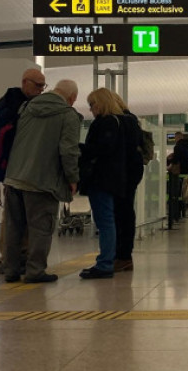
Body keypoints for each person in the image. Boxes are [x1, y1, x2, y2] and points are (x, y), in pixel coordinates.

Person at [2, 79, 80, 283]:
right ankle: (35, 271)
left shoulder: (27, 106)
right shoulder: (67, 114)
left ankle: (10, 269)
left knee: (13, 226)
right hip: (42, 181)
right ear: (72, 98)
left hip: (14, 176)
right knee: (41, 227)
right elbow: (68, 150)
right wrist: (72, 178)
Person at [0, 67, 46, 275]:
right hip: (14, 169)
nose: (40, 90)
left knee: (14, 217)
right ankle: (11, 258)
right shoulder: (16, 105)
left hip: (12, 168)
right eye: (37, 85)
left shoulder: (8, 103)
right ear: (25, 82)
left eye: (43, 86)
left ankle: (13, 259)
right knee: (14, 217)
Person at [79, 88, 127, 279]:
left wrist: (80, 148)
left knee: (105, 221)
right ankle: (106, 260)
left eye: (92, 104)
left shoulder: (107, 123)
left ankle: (105, 263)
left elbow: (102, 149)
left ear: (101, 103)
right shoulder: (117, 122)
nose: (91, 109)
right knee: (107, 220)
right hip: (110, 178)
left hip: (102, 179)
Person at [111, 93, 144, 272]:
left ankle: (122, 255)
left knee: (121, 214)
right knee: (125, 212)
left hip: (122, 174)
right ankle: (124, 255)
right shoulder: (132, 120)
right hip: (130, 174)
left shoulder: (121, 121)